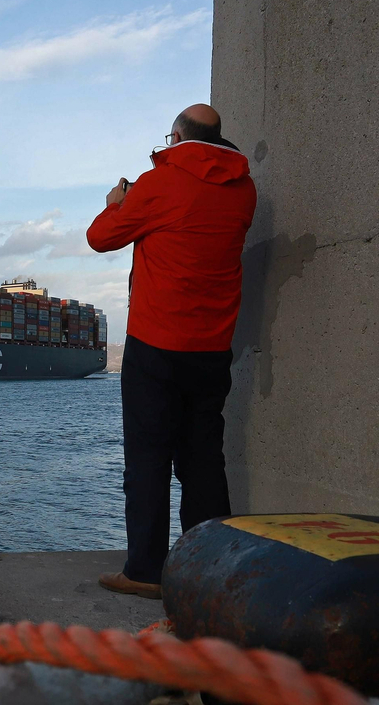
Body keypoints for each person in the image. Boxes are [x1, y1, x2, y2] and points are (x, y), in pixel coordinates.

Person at [85, 104, 257, 600]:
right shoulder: (245, 188)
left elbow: (100, 239)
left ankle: (144, 571)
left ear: (177, 136)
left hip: (156, 343)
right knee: (204, 459)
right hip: (213, 346)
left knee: (148, 459)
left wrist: (118, 202)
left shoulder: (159, 181)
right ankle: (207, 571)